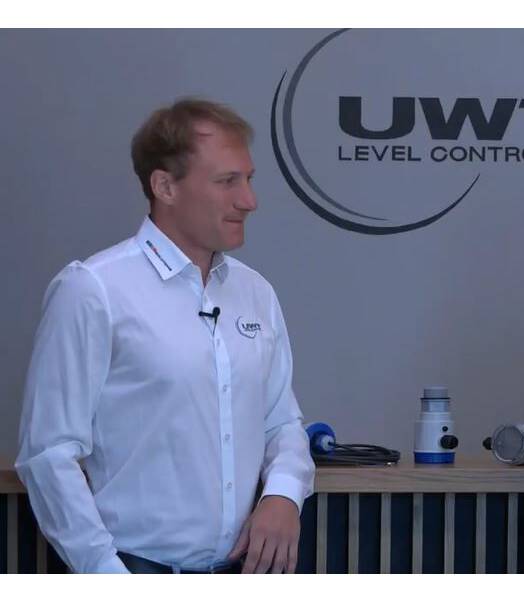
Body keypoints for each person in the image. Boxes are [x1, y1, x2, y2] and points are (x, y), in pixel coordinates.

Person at [16, 98, 315, 574]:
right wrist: (106, 574)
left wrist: (283, 495)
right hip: (134, 567)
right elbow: (48, 454)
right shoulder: (94, 290)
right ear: (165, 186)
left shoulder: (256, 293)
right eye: (227, 181)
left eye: (249, 179)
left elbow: (282, 423)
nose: (249, 200)